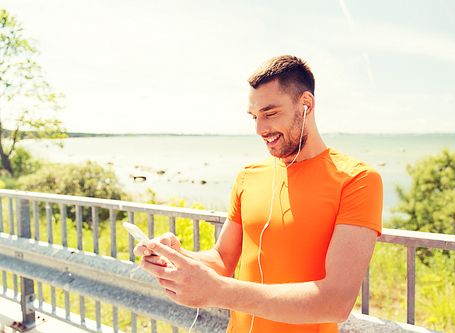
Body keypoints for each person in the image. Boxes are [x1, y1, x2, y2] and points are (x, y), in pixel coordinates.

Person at [135, 55, 383, 333]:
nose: (259, 129)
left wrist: (219, 292)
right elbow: (222, 261)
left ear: (306, 105)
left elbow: (335, 303)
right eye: (254, 117)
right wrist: (179, 256)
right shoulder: (248, 176)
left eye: (270, 113)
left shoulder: (357, 179)